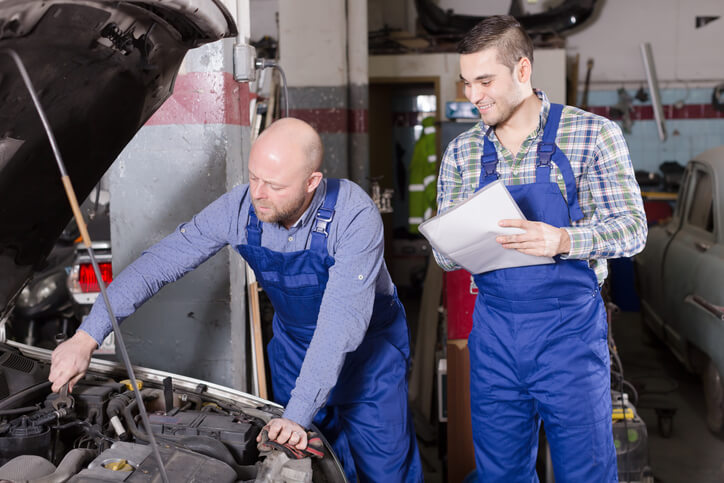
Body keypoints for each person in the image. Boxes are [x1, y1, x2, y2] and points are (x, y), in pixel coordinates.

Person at [49, 118, 423, 482]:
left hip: (368, 357)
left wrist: (296, 414)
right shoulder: (240, 208)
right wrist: (87, 336)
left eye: (274, 185)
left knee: (384, 468)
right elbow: (159, 264)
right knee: (313, 466)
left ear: (312, 183)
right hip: (295, 350)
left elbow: (340, 322)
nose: (258, 193)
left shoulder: (353, 215)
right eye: (254, 176)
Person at [433, 16, 647, 482]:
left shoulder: (593, 136)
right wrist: (458, 242)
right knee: (501, 473)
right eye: (467, 83)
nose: (473, 96)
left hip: (568, 334)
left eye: (485, 81)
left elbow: (633, 229)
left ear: (523, 71)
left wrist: (564, 239)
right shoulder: (462, 153)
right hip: (493, 332)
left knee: (585, 471)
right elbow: (445, 257)